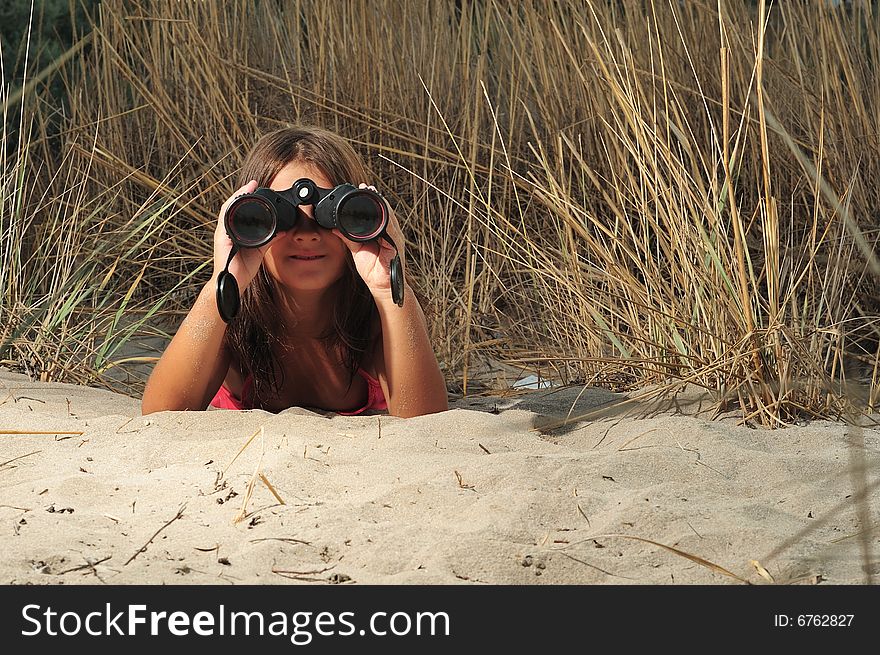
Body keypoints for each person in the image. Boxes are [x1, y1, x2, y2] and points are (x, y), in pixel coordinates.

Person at [142, 125, 448, 418]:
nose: (306, 234)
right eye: (281, 218)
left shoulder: (376, 319)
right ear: (247, 222)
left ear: (362, 221)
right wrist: (222, 282)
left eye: (330, 215)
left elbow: (425, 426)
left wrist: (389, 287)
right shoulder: (234, 320)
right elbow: (161, 417)